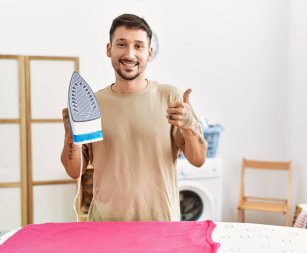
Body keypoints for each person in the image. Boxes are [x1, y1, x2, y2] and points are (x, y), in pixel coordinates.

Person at [61, 13, 207, 221]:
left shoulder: (171, 97)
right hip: (106, 225)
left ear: (149, 52)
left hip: (161, 225)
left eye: (138, 46)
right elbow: (75, 171)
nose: (129, 54)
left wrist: (190, 126)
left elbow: (198, 159)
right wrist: (70, 135)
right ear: (109, 49)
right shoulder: (92, 104)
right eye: (121, 44)